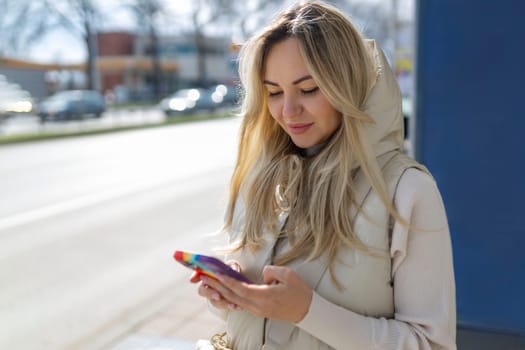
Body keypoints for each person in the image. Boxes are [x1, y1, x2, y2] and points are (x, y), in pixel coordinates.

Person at [192, 1, 456, 349]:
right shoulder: (266, 180)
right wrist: (233, 298)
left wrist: (308, 311)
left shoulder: (407, 191)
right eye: (273, 92)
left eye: (309, 89)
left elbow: (431, 344)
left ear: (349, 84)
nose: (287, 111)